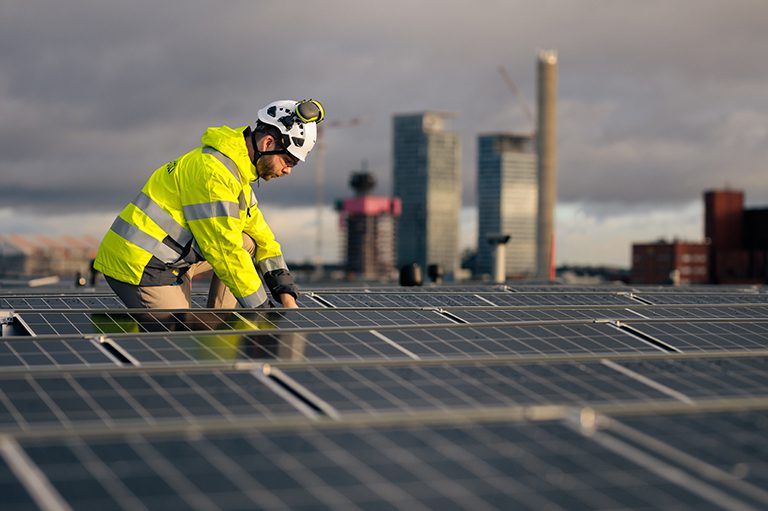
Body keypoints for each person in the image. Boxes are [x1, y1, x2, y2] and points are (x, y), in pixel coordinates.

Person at [94, 99, 325, 310]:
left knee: (248, 241)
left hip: (173, 258)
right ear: (267, 143)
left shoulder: (239, 174)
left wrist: (286, 296)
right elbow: (224, 251)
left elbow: (264, 238)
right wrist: (262, 311)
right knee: (182, 341)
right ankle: (215, 338)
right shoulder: (214, 174)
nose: (288, 171)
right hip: (142, 265)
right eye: (288, 160)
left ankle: (223, 324)